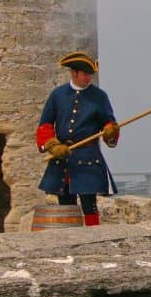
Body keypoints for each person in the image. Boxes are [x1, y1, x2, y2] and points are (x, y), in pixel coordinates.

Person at [35, 51, 120, 226]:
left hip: (88, 156)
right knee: (66, 203)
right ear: (74, 73)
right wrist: (53, 145)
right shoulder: (57, 95)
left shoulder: (99, 96)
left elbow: (109, 122)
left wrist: (110, 131)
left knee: (90, 204)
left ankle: (93, 237)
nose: (88, 78)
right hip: (62, 156)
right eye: (85, 74)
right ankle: (71, 238)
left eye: (90, 74)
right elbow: (45, 125)